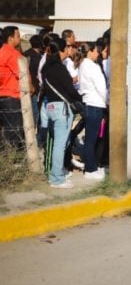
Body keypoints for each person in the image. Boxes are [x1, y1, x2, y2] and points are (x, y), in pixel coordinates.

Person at [40, 39, 82, 189]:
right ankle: (56, 178)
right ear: (63, 49)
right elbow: (70, 89)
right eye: (68, 47)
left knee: (57, 143)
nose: (70, 50)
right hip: (61, 108)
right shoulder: (59, 67)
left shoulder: (46, 67)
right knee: (60, 144)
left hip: (50, 106)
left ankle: (56, 173)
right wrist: (80, 99)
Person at [78, 42, 108, 180]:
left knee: (91, 138)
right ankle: (90, 169)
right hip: (95, 104)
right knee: (92, 139)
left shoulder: (83, 64)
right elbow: (101, 88)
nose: (98, 54)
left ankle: (92, 166)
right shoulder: (92, 66)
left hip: (89, 103)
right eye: (96, 51)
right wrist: (108, 102)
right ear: (90, 51)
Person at [0, 26, 25, 149]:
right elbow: (22, 75)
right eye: (18, 36)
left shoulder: (2, 51)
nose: (20, 38)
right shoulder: (13, 54)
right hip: (12, 96)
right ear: (10, 38)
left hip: (3, 95)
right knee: (14, 132)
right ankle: (13, 162)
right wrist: (31, 89)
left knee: (6, 131)